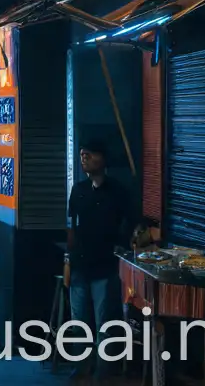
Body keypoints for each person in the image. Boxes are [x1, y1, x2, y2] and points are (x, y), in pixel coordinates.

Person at [67, 139, 135, 378]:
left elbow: (131, 226)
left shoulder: (119, 192)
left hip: (105, 268)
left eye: (90, 154)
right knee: (78, 325)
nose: (84, 158)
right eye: (82, 154)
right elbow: (72, 227)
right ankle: (81, 369)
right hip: (80, 268)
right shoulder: (78, 190)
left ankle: (102, 376)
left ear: (103, 159)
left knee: (104, 326)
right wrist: (69, 259)